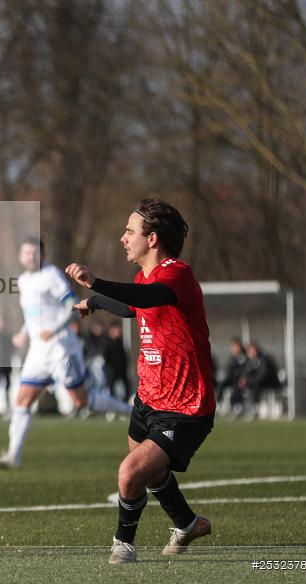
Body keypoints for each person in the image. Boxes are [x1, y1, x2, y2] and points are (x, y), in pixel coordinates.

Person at [65, 197, 216, 564]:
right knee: (150, 471)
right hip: (148, 399)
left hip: (185, 406)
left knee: (130, 473)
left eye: (129, 231)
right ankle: (187, 523)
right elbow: (135, 306)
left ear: (152, 239)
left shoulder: (176, 273)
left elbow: (152, 296)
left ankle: (124, 544)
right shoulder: (143, 276)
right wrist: (96, 302)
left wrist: (96, 282)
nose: (123, 238)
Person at [0, 238, 128, 469]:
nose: (31, 257)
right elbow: (33, 316)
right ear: (20, 256)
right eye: (27, 253)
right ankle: (14, 456)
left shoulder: (51, 276)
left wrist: (54, 329)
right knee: (22, 400)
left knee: (80, 402)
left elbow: (72, 305)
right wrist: (23, 333)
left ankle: (129, 411)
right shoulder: (22, 281)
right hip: (38, 353)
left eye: (35, 253)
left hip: (62, 349)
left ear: (44, 255)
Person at [240, 341, 281, 419]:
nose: (250, 353)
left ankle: (254, 409)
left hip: (270, 383)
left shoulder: (264, 359)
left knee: (255, 385)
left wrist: (250, 381)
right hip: (259, 382)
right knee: (240, 385)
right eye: (249, 351)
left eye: (252, 350)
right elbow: (246, 372)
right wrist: (244, 379)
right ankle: (238, 407)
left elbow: (263, 375)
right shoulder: (250, 361)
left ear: (256, 349)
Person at [217, 337, 247, 415]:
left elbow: (245, 369)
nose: (234, 349)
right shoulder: (231, 357)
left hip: (240, 380)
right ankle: (218, 403)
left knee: (237, 387)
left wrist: (244, 377)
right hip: (231, 378)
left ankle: (237, 406)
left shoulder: (244, 357)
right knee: (221, 384)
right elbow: (228, 369)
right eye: (232, 347)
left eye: (235, 346)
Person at [105, 322, 132, 402]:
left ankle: (125, 402)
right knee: (111, 386)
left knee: (126, 386)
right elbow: (106, 356)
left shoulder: (121, 342)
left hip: (122, 369)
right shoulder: (107, 343)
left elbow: (124, 356)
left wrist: (126, 366)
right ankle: (112, 402)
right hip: (112, 369)